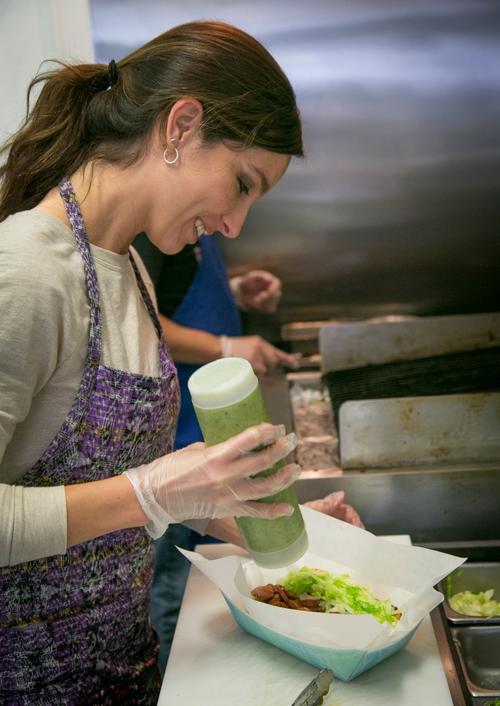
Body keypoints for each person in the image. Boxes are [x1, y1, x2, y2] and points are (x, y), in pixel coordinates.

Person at [0, 21, 307, 705]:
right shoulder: (25, 271)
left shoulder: (130, 270)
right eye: (242, 183)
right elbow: (133, 494)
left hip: (124, 676)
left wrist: (267, 524)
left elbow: (108, 484)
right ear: (181, 126)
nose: (235, 224)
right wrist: (150, 494)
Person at [133, 234, 362, 672]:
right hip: (180, 437)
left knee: (197, 571)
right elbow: (144, 323)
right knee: (173, 587)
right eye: (243, 184)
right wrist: (224, 347)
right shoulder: (140, 236)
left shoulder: (187, 228)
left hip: (201, 456)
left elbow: (169, 292)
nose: (233, 223)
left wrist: (234, 291)